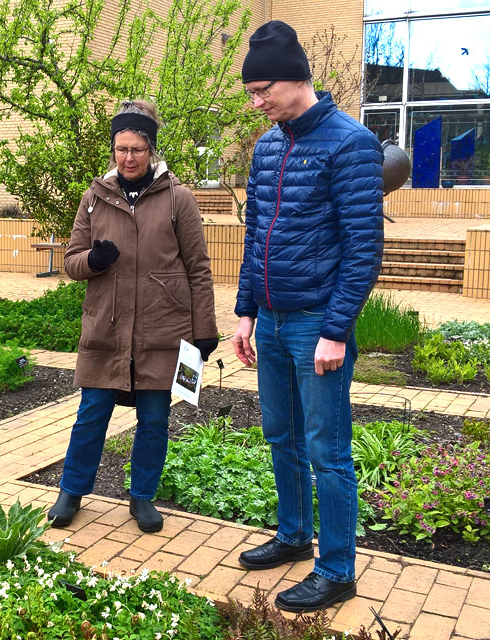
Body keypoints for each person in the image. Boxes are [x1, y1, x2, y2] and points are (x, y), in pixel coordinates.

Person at [231, 20, 383, 613]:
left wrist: (335, 330)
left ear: (297, 79)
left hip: (316, 322)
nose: (256, 101)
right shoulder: (269, 145)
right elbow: (254, 237)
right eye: (250, 92)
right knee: (281, 436)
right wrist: (246, 313)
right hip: (269, 320)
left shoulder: (351, 144)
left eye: (262, 88)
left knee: (328, 450)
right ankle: (294, 535)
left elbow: (363, 249)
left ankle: (337, 569)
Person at [48, 99, 218, 534]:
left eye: (137, 149)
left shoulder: (178, 198)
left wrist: (204, 331)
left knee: (155, 420)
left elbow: (198, 267)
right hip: (107, 325)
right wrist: (95, 260)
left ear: (152, 150)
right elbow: (71, 263)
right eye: (121, 148)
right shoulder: (94, 198)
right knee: (92, 413)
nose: (128, 157)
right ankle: (72, 490)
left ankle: (142, 497)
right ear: (113, 150)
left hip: (164, 329)